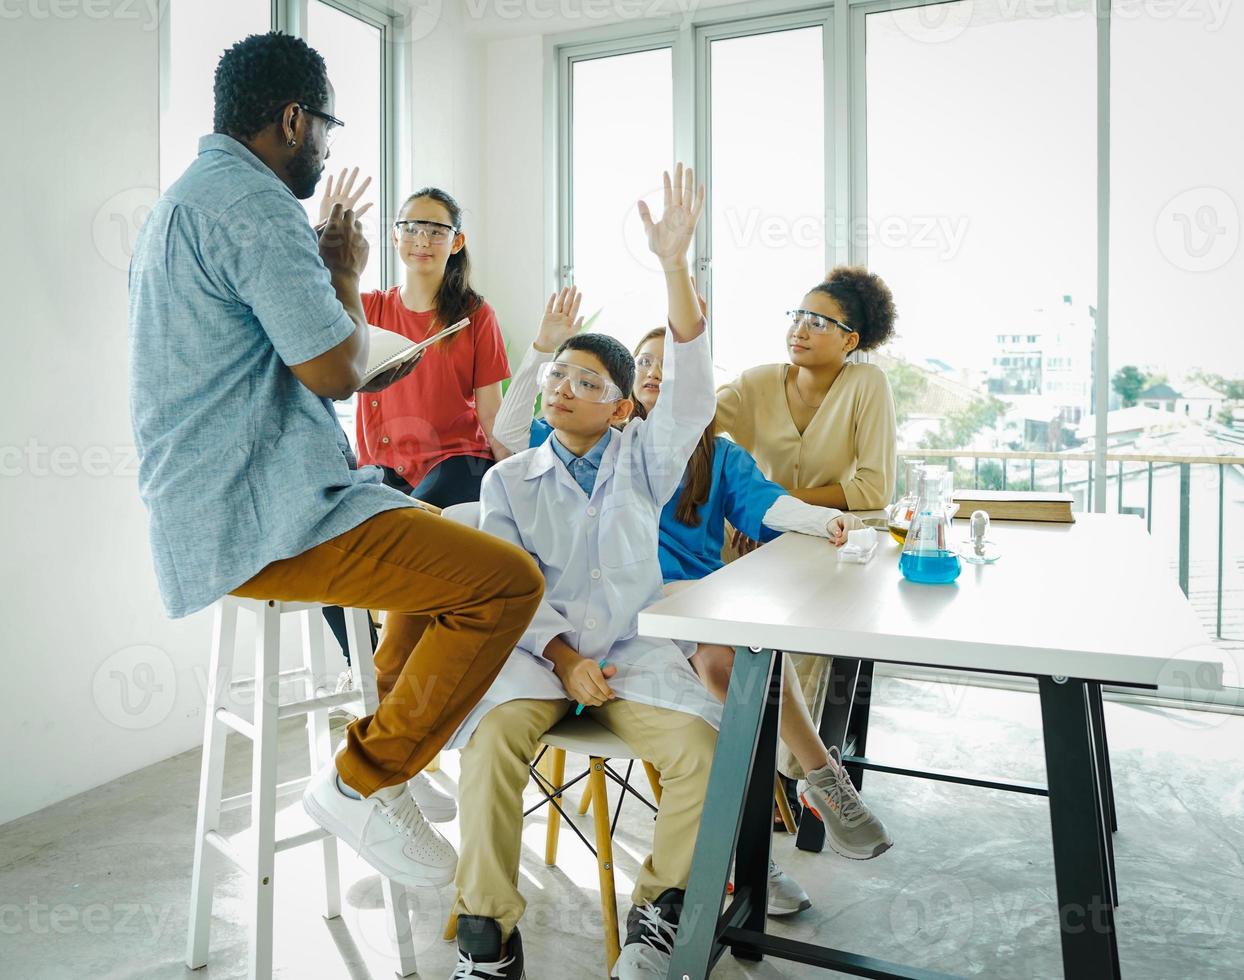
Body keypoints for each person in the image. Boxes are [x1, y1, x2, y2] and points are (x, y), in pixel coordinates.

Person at [127, 32, 542, 891]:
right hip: (267, 513)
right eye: (326, 127)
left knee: (439, 534)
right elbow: (335, 371)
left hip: (206, 507)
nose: (325, 148)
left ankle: (397, 753)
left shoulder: (179, 203)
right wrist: (347, 276)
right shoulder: (257, 203)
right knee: (507, 583)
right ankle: (362, 781)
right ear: (291, 120)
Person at [492, 290, 894, 911]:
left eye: (668, 366)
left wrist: (823, 522)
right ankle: (747, 851)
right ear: (625, 396)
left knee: (736, 662)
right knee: (726, 666)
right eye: (644, 364)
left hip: (698, 605)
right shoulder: (591, 447)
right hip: (624, 628)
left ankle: (769, 829)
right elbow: (512, 430)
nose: (656, 372)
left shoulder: (708, 454)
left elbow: (764, 505)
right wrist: (544, 345)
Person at [447, 166, 719, 980]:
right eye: (558, 376)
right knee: (492, 744)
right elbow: (507, 588)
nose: (565, 389)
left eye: (588, 382)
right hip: (537, 663)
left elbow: (695, 390)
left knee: (703, 749)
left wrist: (673, 265)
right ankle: (489, 937)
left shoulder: (645, 460)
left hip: (631, 662)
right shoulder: (508, 479)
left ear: (623, 405)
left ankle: (656, 917)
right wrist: (563, 658)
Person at [715, 267, 899, 786]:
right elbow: (694, 431)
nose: (800, 327)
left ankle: (795, 778)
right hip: (751, 541)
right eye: (798, 315)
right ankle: (731, 760)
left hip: (830, 542)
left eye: (819, 321)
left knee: (806, 638)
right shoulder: (755, 382)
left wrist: (772, 504)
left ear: (850, 340)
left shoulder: (867, 385)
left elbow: (872, 489)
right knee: (716, 629)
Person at [318, 174, 512, 506]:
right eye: (410, 228)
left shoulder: (477, 315)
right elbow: (309, 300)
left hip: (457, 463)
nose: (422, 239)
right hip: (380, 470)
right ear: (395, 236)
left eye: (437, 231)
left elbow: (490, 413)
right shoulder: (365, 308)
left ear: (456, 242)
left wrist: (514, 483)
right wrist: (323, 234)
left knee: (414, 520)